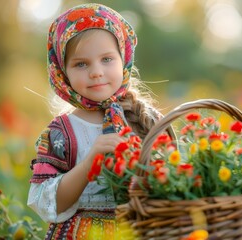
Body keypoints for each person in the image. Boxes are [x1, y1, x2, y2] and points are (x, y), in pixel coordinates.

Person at [27, 3, 162, 239]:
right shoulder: (60, 133)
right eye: (81, 64)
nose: (96, 72)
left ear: (124, 59)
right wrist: (90, 162)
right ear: (62, 72)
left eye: (107, 59)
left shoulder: (146, 119)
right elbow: (46, 203)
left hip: (140, 229)